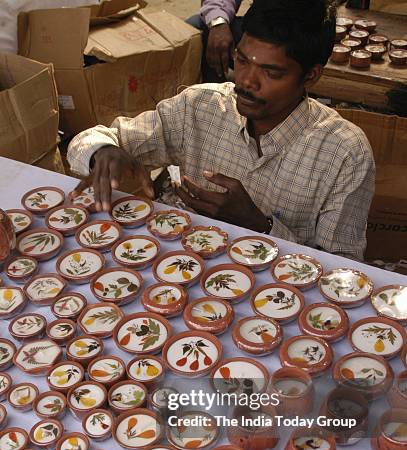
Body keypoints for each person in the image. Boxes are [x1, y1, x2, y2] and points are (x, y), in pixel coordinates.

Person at [67, 0, 375, 261]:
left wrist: (259, 227)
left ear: (310, 76)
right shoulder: (200, 107)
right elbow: (93, 137)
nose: (246, 82)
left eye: (271, 72)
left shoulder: (344, 153)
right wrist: (102, 151)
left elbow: (343, 271)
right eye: (241, 60)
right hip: (185, 270)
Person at [186, 0, 244, 81]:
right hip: (255, 32)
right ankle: (213, 85)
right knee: (196, 28)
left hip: (266, 43)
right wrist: (218, 22)